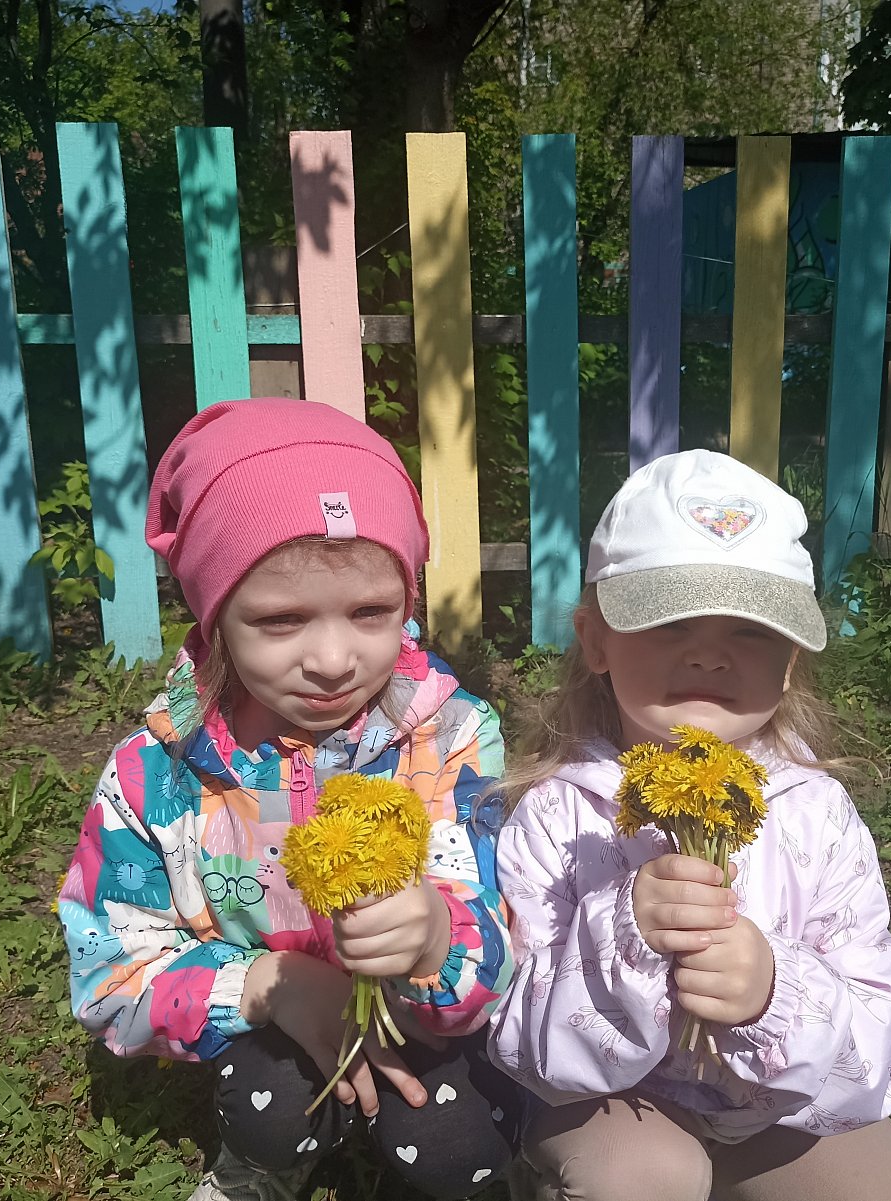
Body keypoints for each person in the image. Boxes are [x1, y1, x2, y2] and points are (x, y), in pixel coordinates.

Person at [57, 399, 521, 1201]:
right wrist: (274, 983)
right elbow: (111, 971)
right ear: (214, 615)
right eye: (280, 620)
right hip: (275, 1023)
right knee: (270, 1108)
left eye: (371, 612)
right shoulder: (159, 773)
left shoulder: (449, 738)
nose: (334, 659)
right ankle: (265, 1162)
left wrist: (435, 937)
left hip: (419, 1018)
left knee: (456, 1145)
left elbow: (502, 934)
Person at [488, 450, 891, 1201]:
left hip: (772, 1106)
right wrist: (624, 939)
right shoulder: (559, 816)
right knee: (644, 1178)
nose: (707, 653)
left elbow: (886, 1038)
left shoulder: (816, 814)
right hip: (616, 1104)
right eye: (669, 621)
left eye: (750, 629)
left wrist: (776, 993)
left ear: (791, 660)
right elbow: (519, 1039)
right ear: (596, 640)